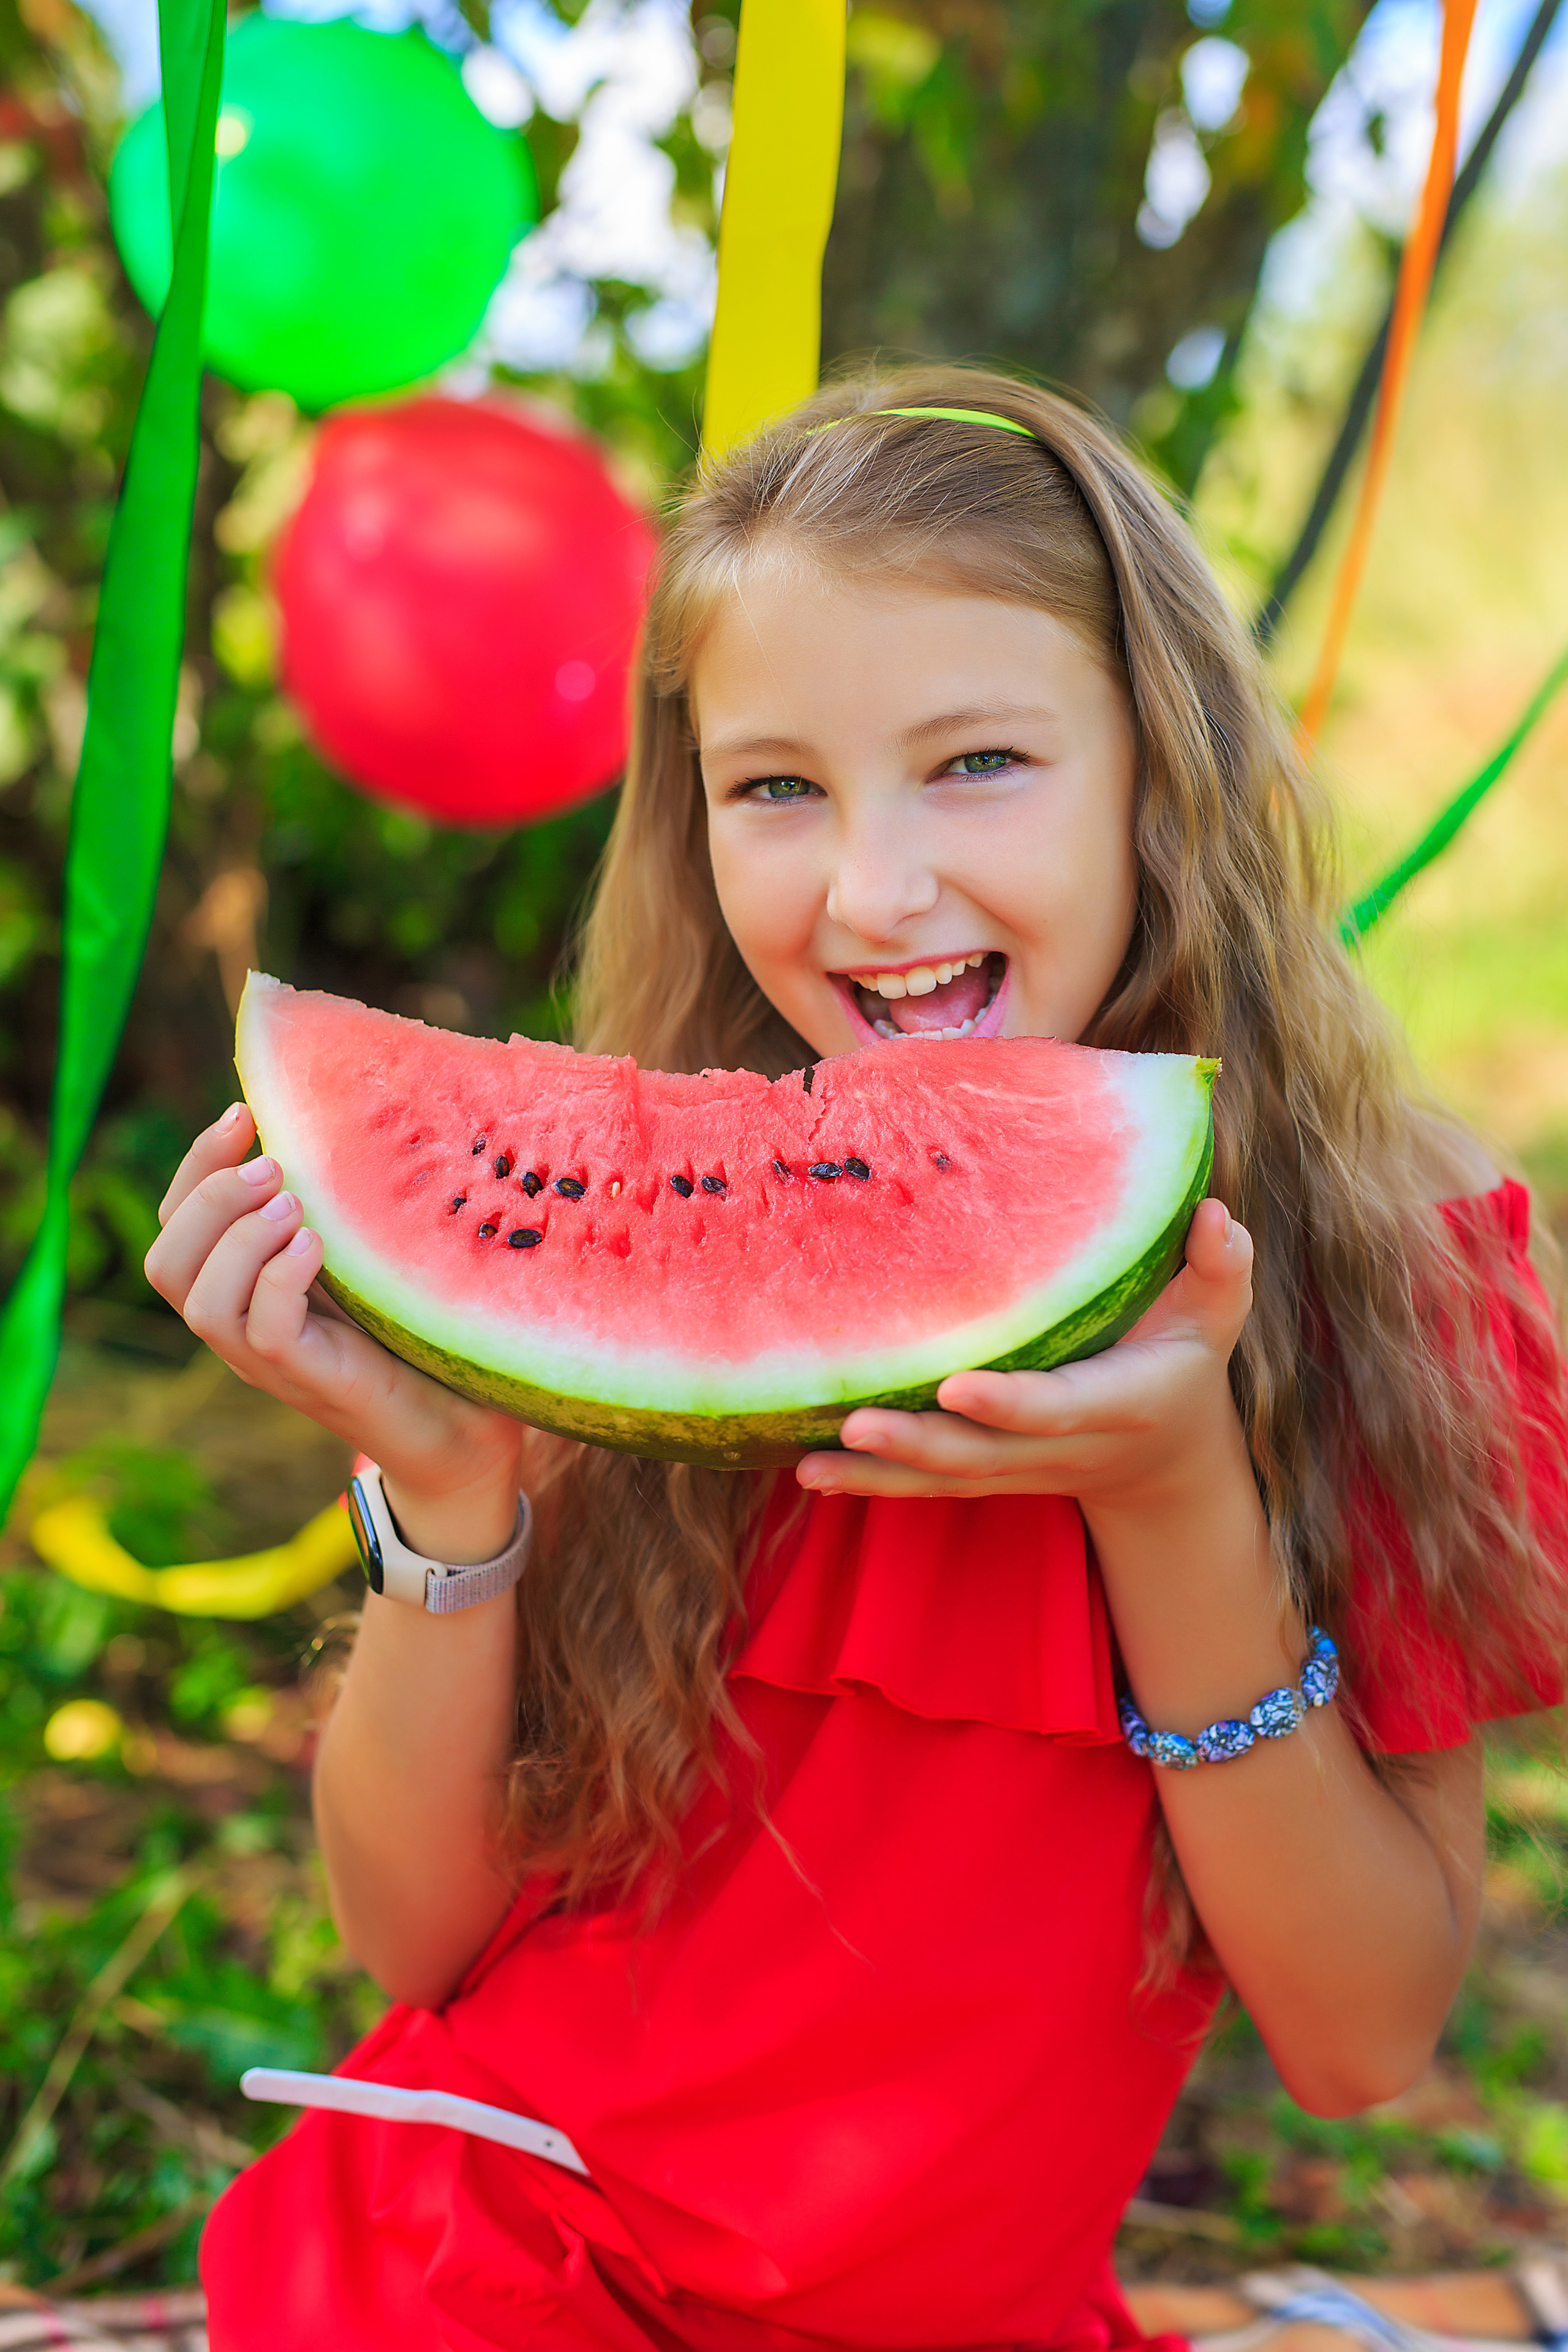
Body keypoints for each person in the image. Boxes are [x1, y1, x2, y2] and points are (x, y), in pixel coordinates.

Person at [146, 368, 1568, 2352]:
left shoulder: (1401, 1275)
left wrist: (1174, 1505)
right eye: (777, 787)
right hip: (489, 2272)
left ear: (1165, 769)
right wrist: (450, 1502)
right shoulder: (642, 1229)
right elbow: (418, 1937)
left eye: (979, 762)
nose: (873, 892)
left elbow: (1362, 2035)